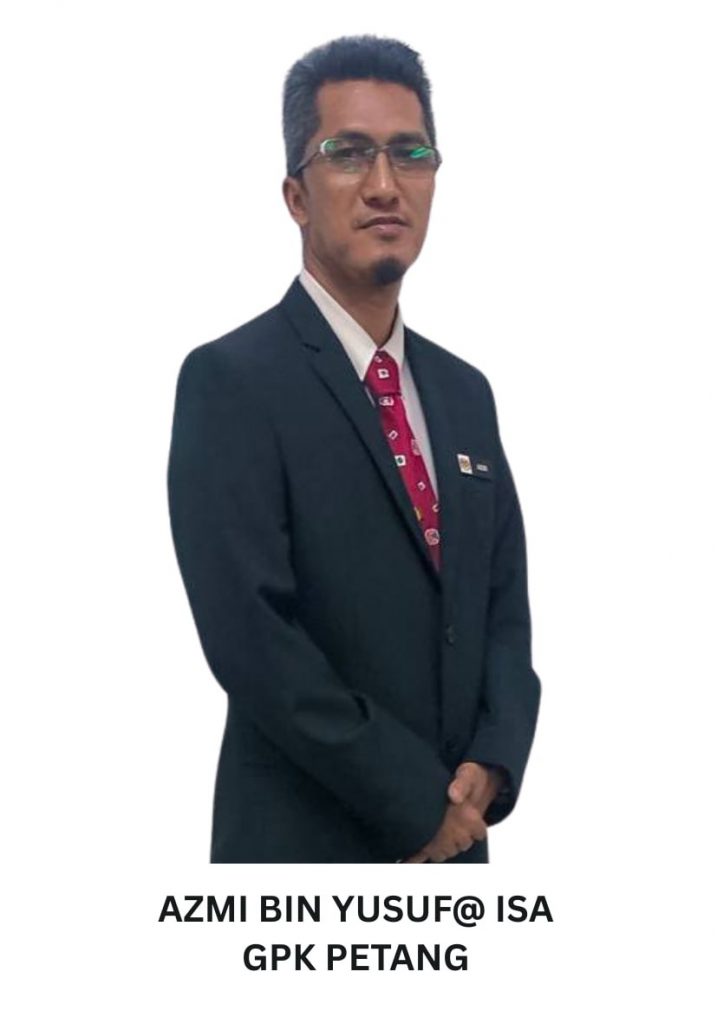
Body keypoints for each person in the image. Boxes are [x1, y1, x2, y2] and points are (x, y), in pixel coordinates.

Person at [167, 34, 540, 863]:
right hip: (299, 857)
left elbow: (502, 610)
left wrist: (494, 758)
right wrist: (414, 803)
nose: (383, 184)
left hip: (455, 851)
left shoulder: (465, 393)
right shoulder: (231, 381)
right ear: (295, 195)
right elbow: (250, 638)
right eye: (348, 153)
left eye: (410, 153)